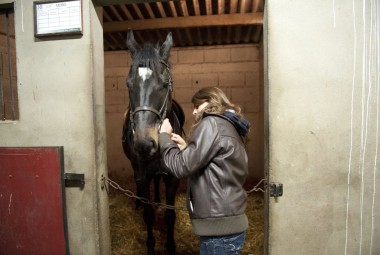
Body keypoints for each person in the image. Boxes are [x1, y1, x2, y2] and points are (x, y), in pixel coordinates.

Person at [158, 87, 251, 255]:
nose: (193, 112)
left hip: (219, 229)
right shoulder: (228, 125)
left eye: (197, 106)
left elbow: (180, 167)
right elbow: (218, 166)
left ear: (210, 102)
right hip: (229, 223)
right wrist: (187, 149)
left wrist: (164, 137)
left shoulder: (211, 123)